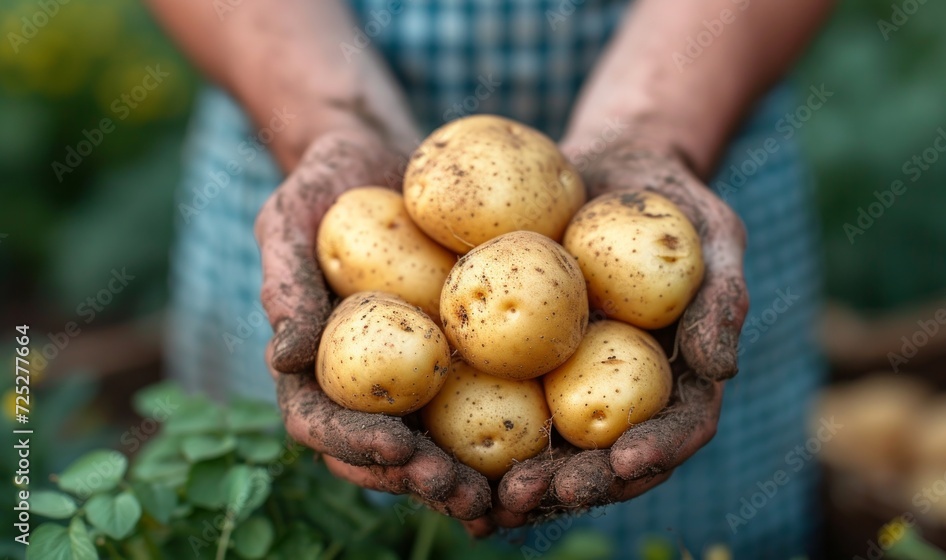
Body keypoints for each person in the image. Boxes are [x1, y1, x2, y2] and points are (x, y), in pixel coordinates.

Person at [147, 0, 834, 556]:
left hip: (702, 104)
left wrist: (659, 131)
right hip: (290, 98)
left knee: (699, 533)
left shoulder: (615, 238)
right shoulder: (378, 226)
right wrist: (328, 121)